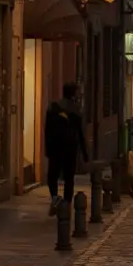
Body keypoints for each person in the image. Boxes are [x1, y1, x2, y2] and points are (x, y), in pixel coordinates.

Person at [45, 82, 89, 214]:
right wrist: (84, 152)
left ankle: (54, 197)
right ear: (73, 94)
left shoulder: (53, 107)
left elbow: (47, 129)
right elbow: (80, 133)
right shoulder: (76, 111)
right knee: (69, 178)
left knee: (52, 175)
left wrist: (47, 147)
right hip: (70, 148)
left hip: (55, 147)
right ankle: (67, 204)